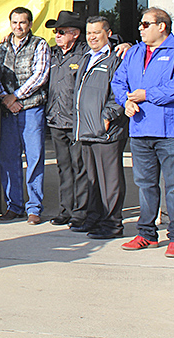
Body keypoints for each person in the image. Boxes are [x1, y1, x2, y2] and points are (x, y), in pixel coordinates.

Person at [112, 7, 174, 257]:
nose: (141, 27)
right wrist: (125, 101)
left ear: (162, 26)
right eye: (141, 24)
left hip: (171, 131)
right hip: (140, 130)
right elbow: (119, 81)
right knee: (146, 185)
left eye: (145, 23)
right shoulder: (135, 52)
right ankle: (147, 234)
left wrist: (147, 95)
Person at [0, 6, 50, 224]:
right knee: (8, 160)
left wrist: (15, 96)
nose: (18, 26)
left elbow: (40, 75)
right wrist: (6, 99)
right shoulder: (1, 48)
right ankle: (13, 205)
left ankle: (34, 207)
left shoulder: (40, 45)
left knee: (34, 159)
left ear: (30, 24)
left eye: (23, 22)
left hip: (32, 109)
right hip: (8, 111)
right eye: (15, 22)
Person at [74, 16, 128, 240]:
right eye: (89, 33)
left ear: (108, 33)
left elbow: (121, 91)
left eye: (97, 32)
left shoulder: (117, 57)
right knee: (93, 181)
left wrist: (108, 116)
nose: (92, 37)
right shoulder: (86, 57)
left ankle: (112, 223)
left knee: (110, 181)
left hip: (107, 131)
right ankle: (95, 218)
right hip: (87, 130)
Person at [43, 10, 90, 227]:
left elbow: (112, 43)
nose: (57, 35)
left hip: (77, 121)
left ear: (75, 33)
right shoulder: (51, 54)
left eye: (61, 32)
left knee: (80, 167)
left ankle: (81, 212)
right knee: (63, 167)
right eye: (56, 32)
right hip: (56, 120)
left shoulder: (86, 54)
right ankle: (66, 209)